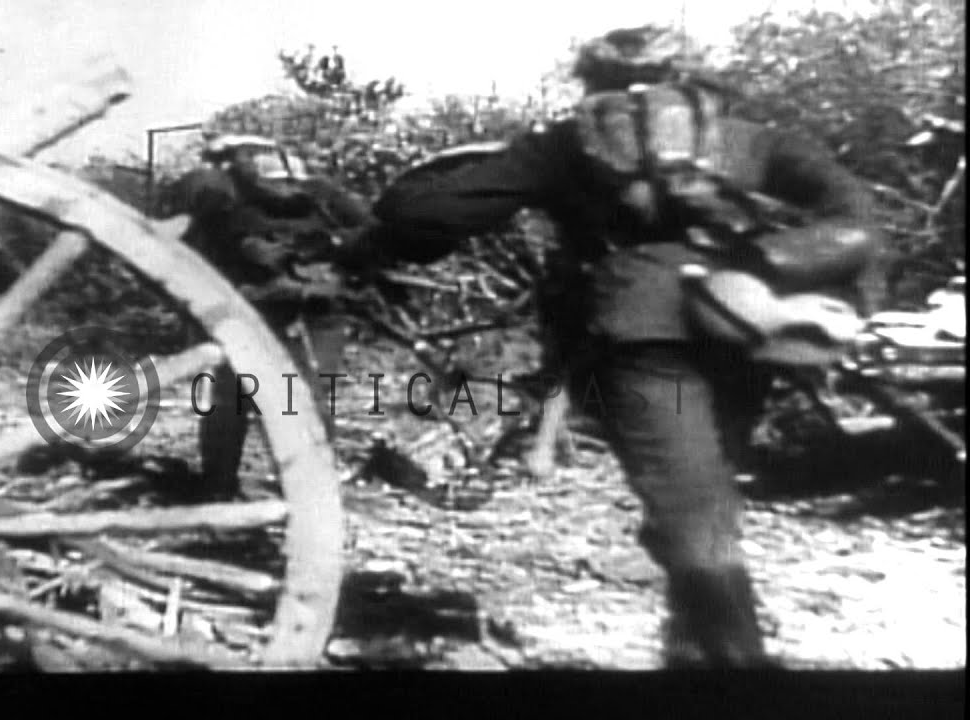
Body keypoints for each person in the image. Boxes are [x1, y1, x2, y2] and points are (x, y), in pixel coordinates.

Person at [334, 26, 884, 667]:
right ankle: (692, 659)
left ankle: (740, 670)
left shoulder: (565, 147)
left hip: (642, 334)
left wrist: (398, 206)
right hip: (746, 332)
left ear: (590, 81)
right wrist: (800, 279)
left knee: (691, 514)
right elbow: (856, 214)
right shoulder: (748, 138)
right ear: (690, 75)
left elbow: (425, 216)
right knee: (703, 501)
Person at [173, 136, 373, 498]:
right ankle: (230, 485)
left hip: (299, 310)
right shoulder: (222, 204)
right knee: (245, 399)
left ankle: (292, 486)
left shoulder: (313, 199)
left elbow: (361, 239)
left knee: (287, 399)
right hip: (253, 310)